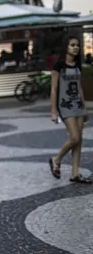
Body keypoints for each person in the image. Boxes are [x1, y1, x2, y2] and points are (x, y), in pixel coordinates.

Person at [49, 35, 91, 183]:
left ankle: (75, 173)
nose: (75, 47)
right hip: (65, 105)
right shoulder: (58, 66)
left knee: (79, 141)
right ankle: (56, 159)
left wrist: (85, 108)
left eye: (77, 45)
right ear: (66, 47)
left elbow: (79, 87)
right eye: (72, 45)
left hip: (78, 105)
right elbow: (54, 89)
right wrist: (53, 111)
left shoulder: (78, 65)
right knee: (74, 138)